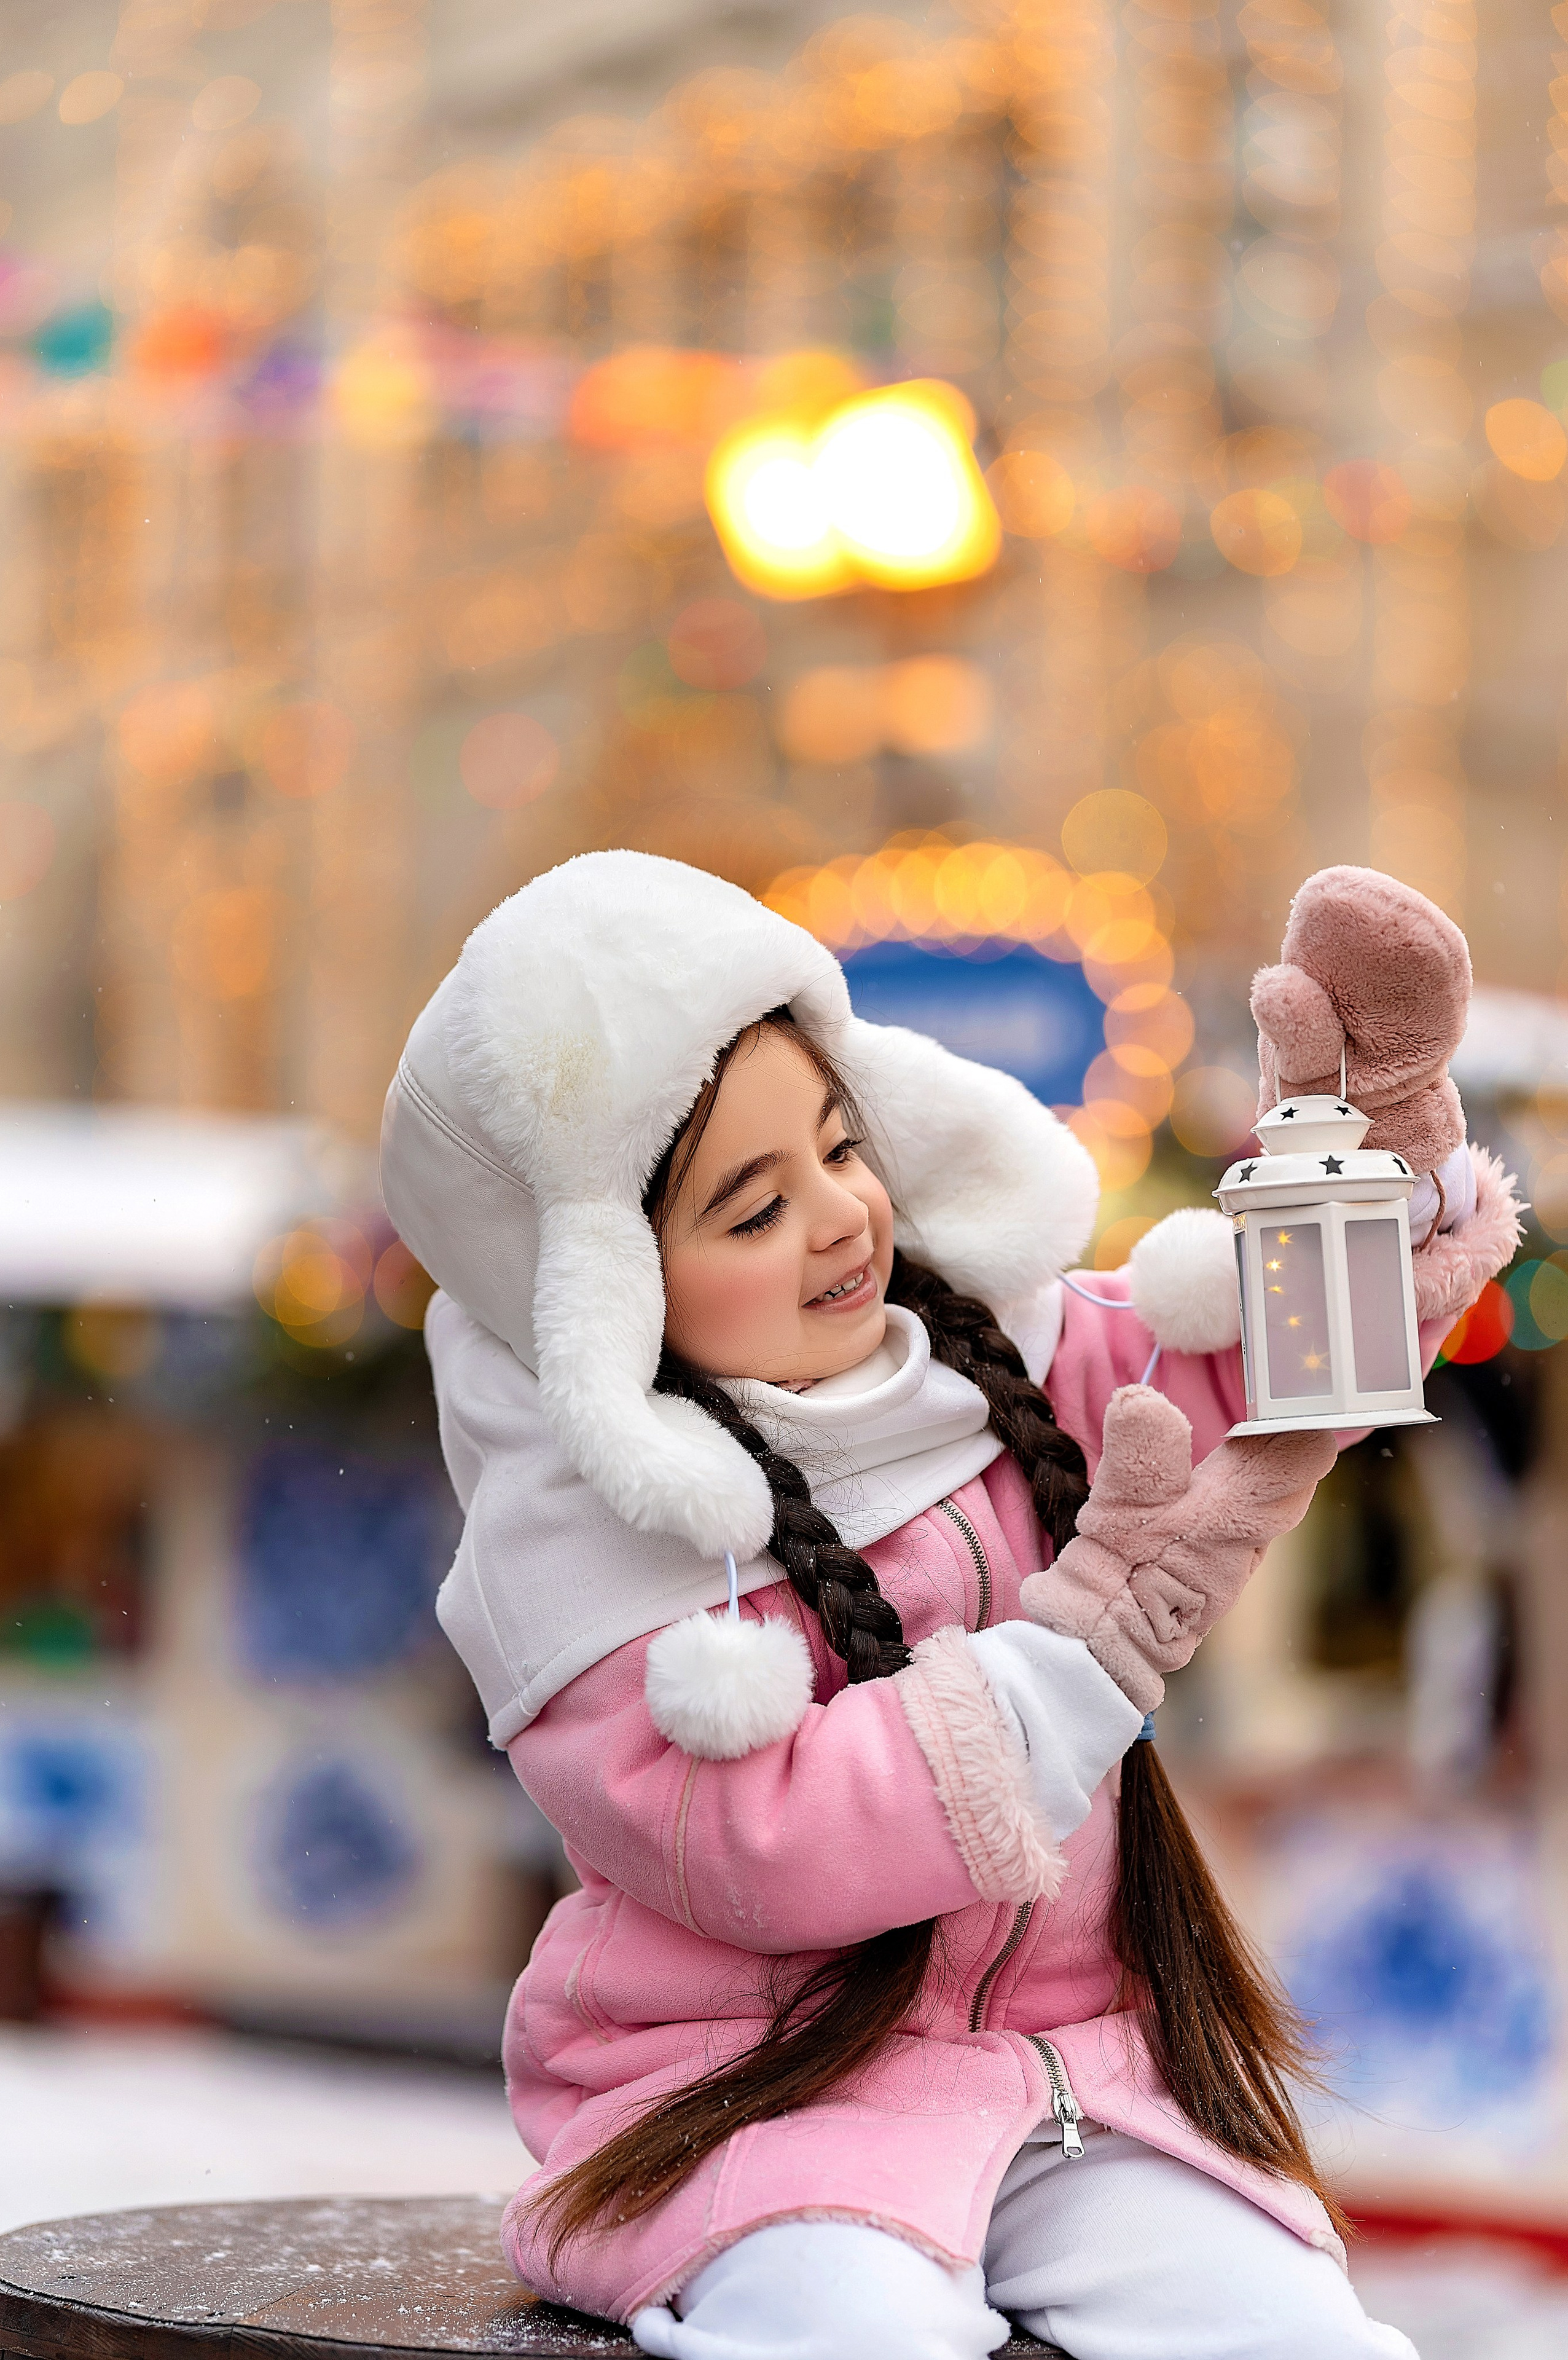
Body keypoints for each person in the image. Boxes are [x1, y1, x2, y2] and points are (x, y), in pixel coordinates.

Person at [380, 852, 1519, 2360]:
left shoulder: (984, 1360)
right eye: (751, 1210)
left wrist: (1363, 1169)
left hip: (1066, 2085)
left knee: (1288, 2335)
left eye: (838, 1147)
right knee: (854, 2331)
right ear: (606, 1292)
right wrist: (1063, 1666)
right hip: (745, 2101)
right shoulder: (597, 1561)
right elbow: (759, 1846)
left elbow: (1250, 1381)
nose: (839, 1217)